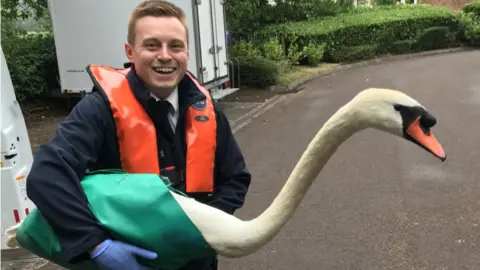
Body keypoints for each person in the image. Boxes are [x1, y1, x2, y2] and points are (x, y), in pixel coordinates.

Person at [25, 1, 252, 269]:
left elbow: (235, 178)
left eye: (175, 46)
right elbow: (47, 174)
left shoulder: (206, 109)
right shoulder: (99, 110)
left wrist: (205, 230)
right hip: (128, 260)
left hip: (195, 261)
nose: (165, 56)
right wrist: (94, 244)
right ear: (130, 52)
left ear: (187, 52)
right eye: (152, 45)